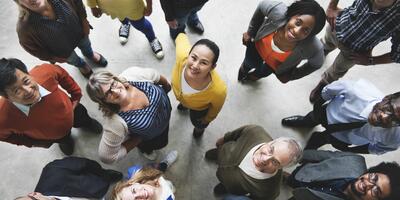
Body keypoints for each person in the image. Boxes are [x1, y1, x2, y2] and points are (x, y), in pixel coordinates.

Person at [0, 58, 101, 156]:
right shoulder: (3, 117)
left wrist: (76, 94)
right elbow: (5, 136)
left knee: (82, 117)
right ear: (6, 96)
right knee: (63, 138)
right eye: (16, 91)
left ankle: (87, 123)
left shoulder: (44, 72)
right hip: (53, 135)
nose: (28, 90)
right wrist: (33, 143)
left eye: (26, 81)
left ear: (28, 74)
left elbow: (61, 73)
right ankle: (65, 141)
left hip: (72, 109)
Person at [309, 0, 400, 102]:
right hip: (338, 25)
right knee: (326, 43)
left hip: (356, 51)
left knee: (337, 69)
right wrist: (332, 6)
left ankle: (324, 83)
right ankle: (323, 51)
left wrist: (371, 61)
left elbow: (398, 54)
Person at [282, 79, 400, 155]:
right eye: (389, 109)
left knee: (323, 139)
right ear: (387, 98)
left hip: (343, 139)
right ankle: (306, 121)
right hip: (327, 114)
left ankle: (315, 141)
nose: (384, 117)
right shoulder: (358, 89)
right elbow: (328, 92)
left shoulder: (395, 137)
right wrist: (317, 109)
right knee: (312, 117)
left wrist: (349, 150)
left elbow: (377, 148)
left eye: (395, 120)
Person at [86, 67, 172, 163]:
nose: (115, 91)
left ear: (115, 78)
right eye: (107, 94)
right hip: (154, 137)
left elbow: (156, 76)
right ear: (103, 101)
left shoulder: (133, 75)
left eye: (113, 84)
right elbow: (107, 157)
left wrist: (167, 86)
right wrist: (138, 139)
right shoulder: (115, 122)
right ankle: (146, 150)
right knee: (159, 144)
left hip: (166, 116)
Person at [205, 125, 303, 200]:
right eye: (271, 149)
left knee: (228, 186)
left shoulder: (270, 190)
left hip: (232, 186)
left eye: (275, 162)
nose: (265, 159)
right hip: (223, 152)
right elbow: (235, 134)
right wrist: (224, 140)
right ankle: (216, 154)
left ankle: (224, 186)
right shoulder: (255, 132)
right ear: (272, 141)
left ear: (281, 167)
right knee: (217, 153)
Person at [238, 0, 326, 83]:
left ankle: (255, 76)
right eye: (298, 22)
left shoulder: (313, 47)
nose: (296, 31)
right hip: (256, 48)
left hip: (273, 66)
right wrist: (251, 32)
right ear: (292, 15)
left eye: (306, 30)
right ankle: (244, 69)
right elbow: (262, 6)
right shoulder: (277, 11)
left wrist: (293, 75)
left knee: (263, 72)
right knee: (249, 62)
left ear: (311, 34)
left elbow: (316, 64)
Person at [15, 0, 107, 78]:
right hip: (63, 51)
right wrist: (52, 57)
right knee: (73, 60)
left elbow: (78, 3)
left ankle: (89, 54)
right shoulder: (24, 28)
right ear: (19, 2)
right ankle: (81, 64)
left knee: (86, 45)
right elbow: (32, 48)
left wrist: (84, 20)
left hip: (79, 33)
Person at [171, 33, 227, 138]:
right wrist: (179, 32)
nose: (195, 66)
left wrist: (207, 119)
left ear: (212, 67)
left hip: (199, 110)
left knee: (198, 123)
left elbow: (215, 108)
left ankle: (199, 130)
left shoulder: (218, 90)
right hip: (182, 97)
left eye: (204, 63)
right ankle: (184, 104)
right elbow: (181, 37)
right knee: (184, 101)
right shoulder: (181, 55)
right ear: (188, 54)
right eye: (194, 57)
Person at [286, 150, 400, 200]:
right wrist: (293, 156)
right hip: (302, 174)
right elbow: (319, 155)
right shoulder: (355, 160)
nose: (368, 183)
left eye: (376, 191)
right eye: (374, 178)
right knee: (290, 179)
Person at [14, 157, 123, 200]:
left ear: (34, 194)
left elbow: (86, 164)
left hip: (100, 187)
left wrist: (103, 174)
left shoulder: (54, 170)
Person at [86, 0, 164, 59]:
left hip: (133, 6)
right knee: (120, 17)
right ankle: (125, 24)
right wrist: (92, 6)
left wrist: (149, 6)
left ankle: (152, 39)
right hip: (111, 7)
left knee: (140, 24)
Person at [111, 151, 178, 200]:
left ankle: (165, 163)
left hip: (154, 173)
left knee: (159, 168)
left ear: (132, 183)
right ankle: (170, 187)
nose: (141, 194)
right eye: (136, 199)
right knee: (170, 187)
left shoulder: (136, 171)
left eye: (133, 190)